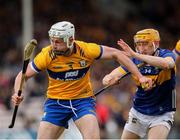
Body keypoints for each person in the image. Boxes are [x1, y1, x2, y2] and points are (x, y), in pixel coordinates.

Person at [11, 21, 152, 139]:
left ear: (70, 40)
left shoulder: (86, 49)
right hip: (56, 104)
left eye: (58, 41)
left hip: (82, 102)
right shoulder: (47, 55)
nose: (54, 45)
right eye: (52, 40)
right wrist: (17, 92)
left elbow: (116, 53)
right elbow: (22, 76)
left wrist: (140, 76)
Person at [103, 29, 176, 139]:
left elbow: (167, 64)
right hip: (139, 112)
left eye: (145, 44)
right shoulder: (134, 61)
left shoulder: (166, 54)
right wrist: (109, 80)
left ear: (155, 43)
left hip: (162, 113)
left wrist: (135, 55)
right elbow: (110, 76)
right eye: (139, 44)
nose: (142, 48)